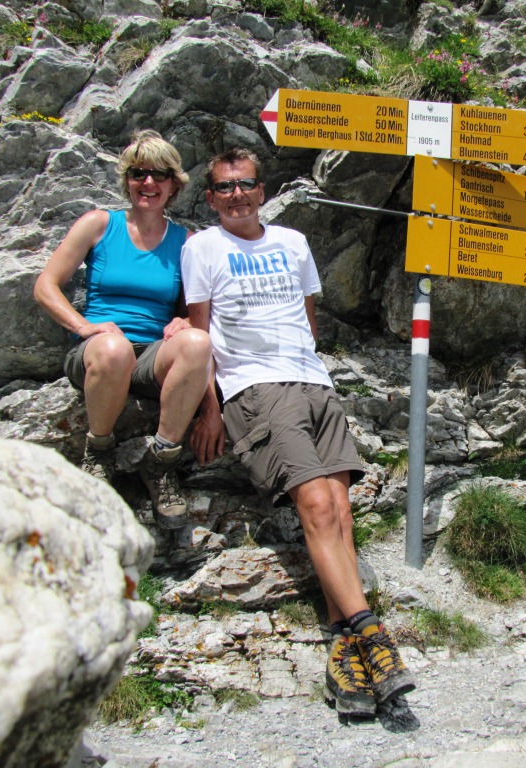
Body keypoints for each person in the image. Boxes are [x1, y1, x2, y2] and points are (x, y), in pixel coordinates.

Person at [181, 148, 416, 716]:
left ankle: (344, 657)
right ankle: (372, 635)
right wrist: (210, 407)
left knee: (339, 508)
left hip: (313, 382)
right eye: (224, 188)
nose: (237, 195)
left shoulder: (292, 242)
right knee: (314, 503)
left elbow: (307, 314)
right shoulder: (202, 247)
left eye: (245, 184)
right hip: (255, 387)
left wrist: (310, 366)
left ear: (262, 190)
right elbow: (199, 333)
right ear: (210, 199)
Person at [34, 129, 213, 530]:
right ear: (127, 180)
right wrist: (83, 327)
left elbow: (197, 310)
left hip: (151, 355)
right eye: (138, 173)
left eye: (159, 174)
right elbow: (46, 286)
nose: (148, 182)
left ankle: (160, 462)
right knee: (114, 348)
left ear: (173, 185)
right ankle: (99, 451)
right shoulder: (99, 224)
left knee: (198, 342)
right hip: (99, 353)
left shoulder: (186, 243)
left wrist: (185, 320)